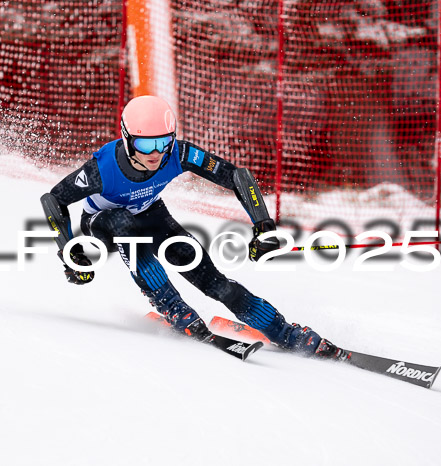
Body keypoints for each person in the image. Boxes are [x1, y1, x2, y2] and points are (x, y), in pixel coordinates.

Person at [40, 95, 346, 359]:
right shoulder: (102, 169)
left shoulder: (178, 153)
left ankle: (282, 331)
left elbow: (236, 176)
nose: (156, 153)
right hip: (102, 223)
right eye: (146, 145)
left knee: (209, 276)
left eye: (163, 142)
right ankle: (172, 305)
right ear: (127, 138)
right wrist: (68, 251)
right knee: (124, 225)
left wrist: (263, 227)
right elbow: (53, 199)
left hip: (150, 213)